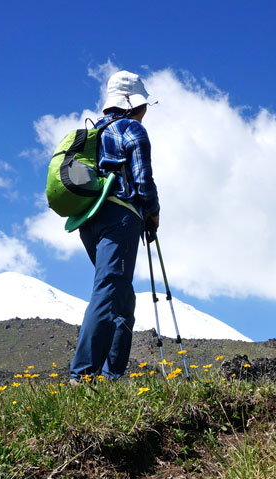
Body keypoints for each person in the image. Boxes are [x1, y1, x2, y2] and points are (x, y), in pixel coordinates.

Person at [68, 71, 160, 382]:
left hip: (88, 219)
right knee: (109, 289)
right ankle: (83, 377)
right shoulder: (131, 128)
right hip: (120, 215)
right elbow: (143, 179)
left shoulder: (95, 132)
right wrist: (153, 213)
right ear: (134, 103)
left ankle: (111, 377)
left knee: (122, 295)